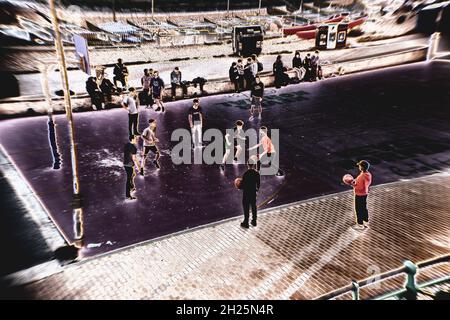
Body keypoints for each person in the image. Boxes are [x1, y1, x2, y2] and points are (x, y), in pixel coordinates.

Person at [350, 160, 372, 230]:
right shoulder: (368, 174)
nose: (359, 167)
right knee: (364, 208)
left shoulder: (362, 176)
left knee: (358, 209)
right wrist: (355, 181)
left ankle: (360, 224)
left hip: (359, 194)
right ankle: (366, 221)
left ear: (362, 167)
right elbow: (362, 182)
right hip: (365, 193)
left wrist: (352, 184)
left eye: (359, 165)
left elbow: (359, 187)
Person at [239, 159, 260, 228]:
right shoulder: (256, 173)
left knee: (246, 207)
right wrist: (256, 190)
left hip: (246, 193)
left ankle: (246, 222)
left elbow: (243, 185)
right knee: (253, 206)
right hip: (253, 192)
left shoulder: (245, 174)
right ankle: (254, 221)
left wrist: (239, 186)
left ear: (247, 164)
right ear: (253, 165)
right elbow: (258, 184)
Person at [123, 135, 140, 200]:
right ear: (132, 139)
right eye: (135, 138)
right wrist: (139, 167)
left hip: (125, 164)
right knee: (129, 178)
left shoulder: (127, 144)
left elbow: (126, 153)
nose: (137, 140)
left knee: (132, 175)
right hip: (129, 165)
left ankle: (131, 187)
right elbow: (134, 158)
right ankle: (128, 196)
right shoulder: (133, 148)